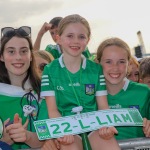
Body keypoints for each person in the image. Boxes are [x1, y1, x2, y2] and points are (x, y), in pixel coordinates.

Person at [41, 14, 120, 150]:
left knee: (108, 142)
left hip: (94, 127)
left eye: (81, 37)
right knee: (68, 145)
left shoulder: (96, 69)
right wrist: (63, 130)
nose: (76, 41)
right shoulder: (49, 70)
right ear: (58, 39)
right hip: (67, 127)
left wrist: (106, 125)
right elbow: (52, 110)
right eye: (70, 36)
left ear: (87, 40)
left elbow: (103, 105)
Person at [0, 26, 58, 150]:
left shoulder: (44, 93)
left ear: (31, 55)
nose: (18, 57)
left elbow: (43, 138)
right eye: (11, 51)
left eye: (24, 51)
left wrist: (26, 136)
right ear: (1, 56)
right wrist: (3, 142)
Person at [96, 37, 150, 140]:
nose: (115, 67)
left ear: (128, 63)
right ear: (98, 63)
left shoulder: (144, 92)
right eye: (108, 62)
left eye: (121, 61)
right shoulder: (88, 95)